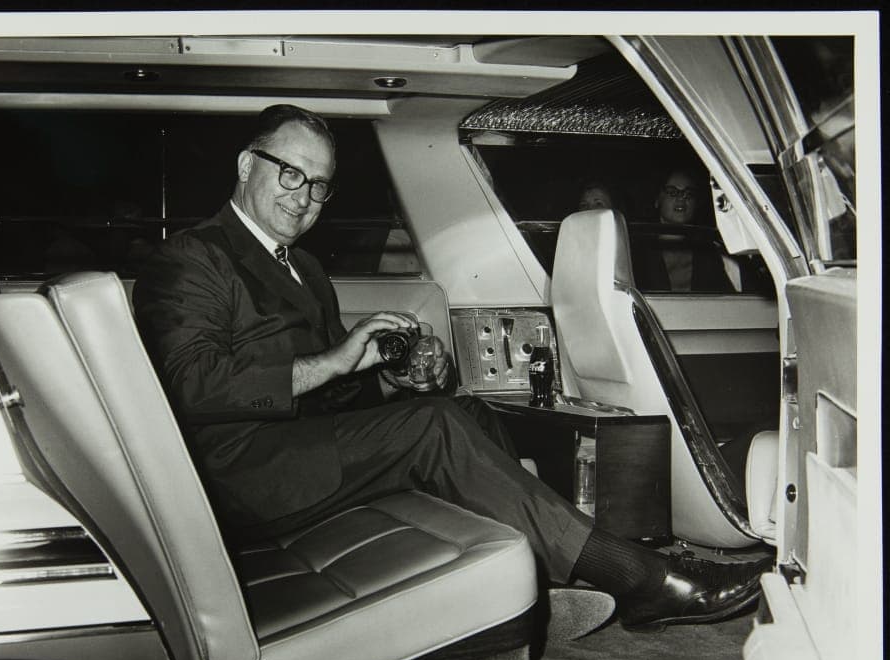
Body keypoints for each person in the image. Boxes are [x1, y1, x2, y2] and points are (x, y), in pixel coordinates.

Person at [133, 104, 771, 632]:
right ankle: (638, 578)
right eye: (290, 174)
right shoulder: (193, 258)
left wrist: (388, 377)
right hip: (239, 475)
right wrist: (334, 361)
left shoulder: (304, 268)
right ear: (247, 165)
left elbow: (329, 395)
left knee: (460, 408)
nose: (304, 197)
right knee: (434, 427)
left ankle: (540, 575)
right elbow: (190, 386)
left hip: (297, 452)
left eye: (319, 184)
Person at [633, 169, 738, 292]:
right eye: (672, 192)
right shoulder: (638, 252)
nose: (681, 198)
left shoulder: (709, 252)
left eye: (688, 193)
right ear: (658, 199)